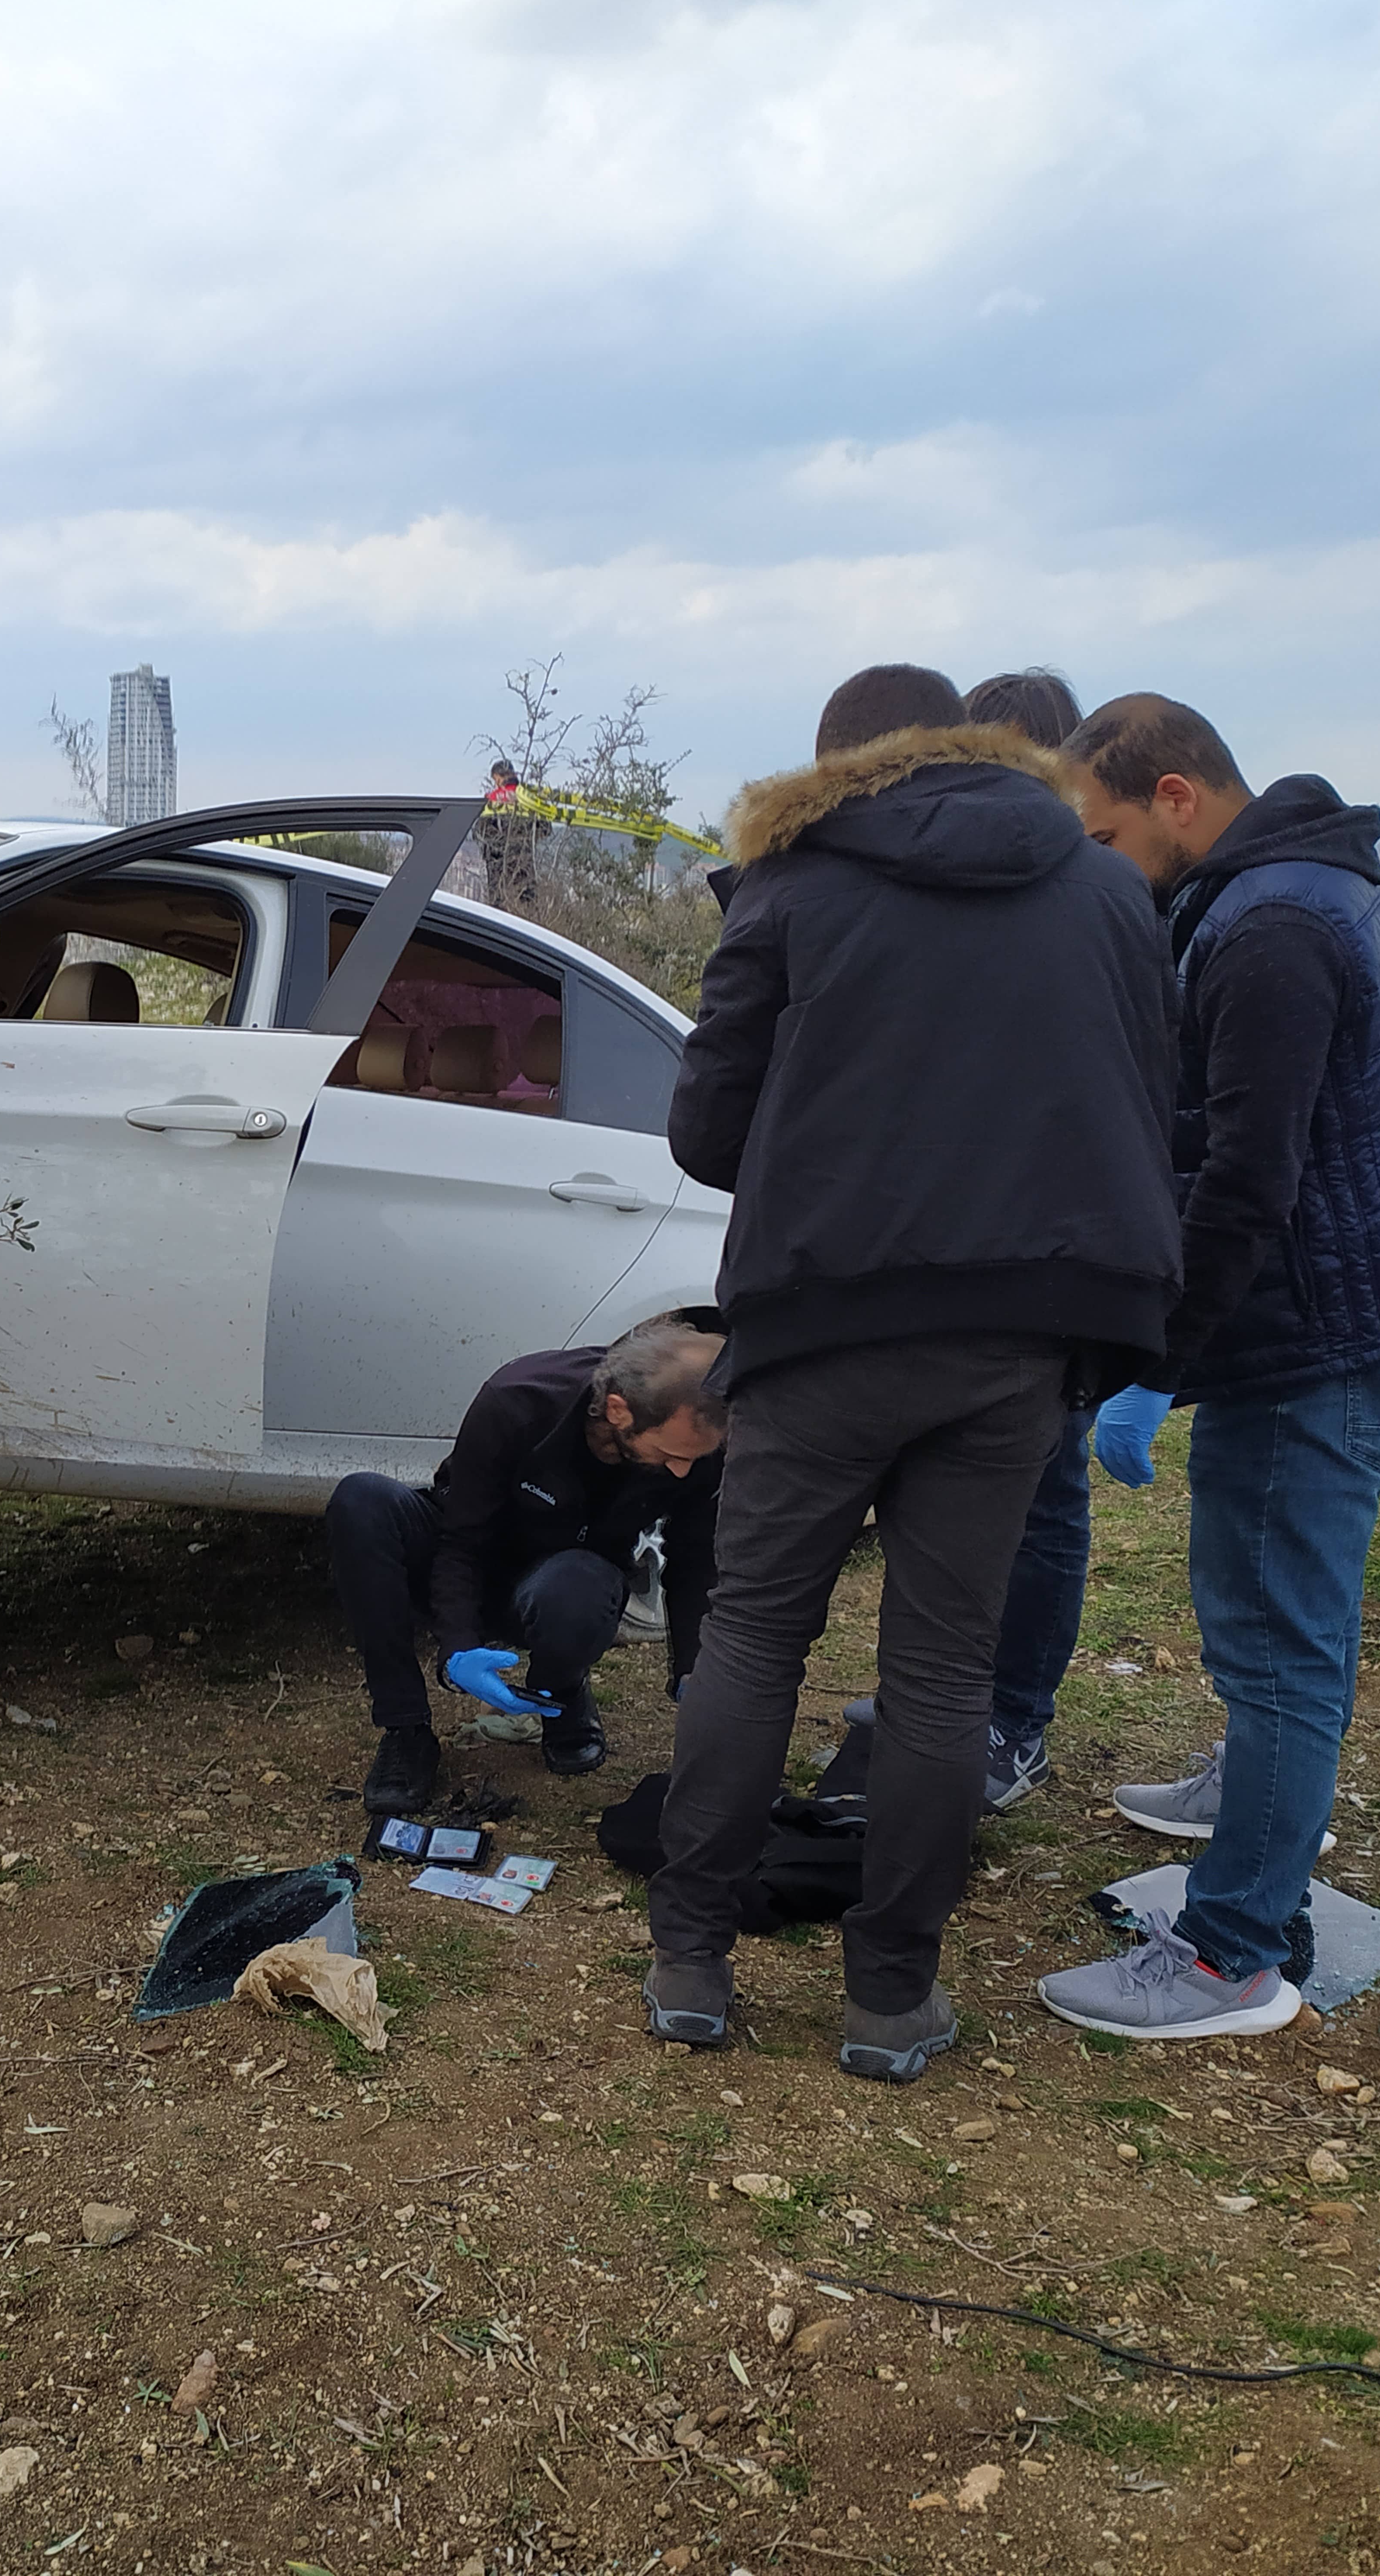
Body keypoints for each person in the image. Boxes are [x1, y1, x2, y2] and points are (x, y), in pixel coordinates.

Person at [646, 663, 1182, 2081]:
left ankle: (692, 1958)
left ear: (836, 761)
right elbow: (1151, 1100)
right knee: (943, 1676)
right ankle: (891, 1996)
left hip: (822, 1323)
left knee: (756, 1634)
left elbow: (707, 1135)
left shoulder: (787, 886)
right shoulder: (1102, 888)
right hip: (1019, 1334)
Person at [1037, 695, 1380, 2042]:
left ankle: (1229, 1952)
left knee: (1270, 1628)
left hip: (1314, 1336)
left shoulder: (1270, 928)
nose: (1099, 862)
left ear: (1172, 797)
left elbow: (1243, 1178)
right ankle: (1262, 1803)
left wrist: (1151, 1364)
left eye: (1103, 832)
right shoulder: (1279, 884)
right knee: (1297, 1612)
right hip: (1364, 1303)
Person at [819, 666, 1098, 1818]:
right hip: (967, 1249)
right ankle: (948, 1712)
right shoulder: (980, 867)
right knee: (965, 1503)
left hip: (1046, 1257)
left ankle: (1005, 1725)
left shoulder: (1088, 881)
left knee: (1038, 1499)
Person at [327, 1313, 728, 1818]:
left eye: (693, 1460)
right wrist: (457, 1646)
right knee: (361, 1502)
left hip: (567, 1585)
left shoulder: (696, 1444)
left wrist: (695, 1671)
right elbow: (462, 1540)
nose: (681, 1471)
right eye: (670, 1455)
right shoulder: (517, 1399)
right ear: (618, 1411)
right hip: (473, 1558)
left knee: (578, 1586)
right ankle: (405, 1729)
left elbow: (694, 1562)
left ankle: (558, 1692)